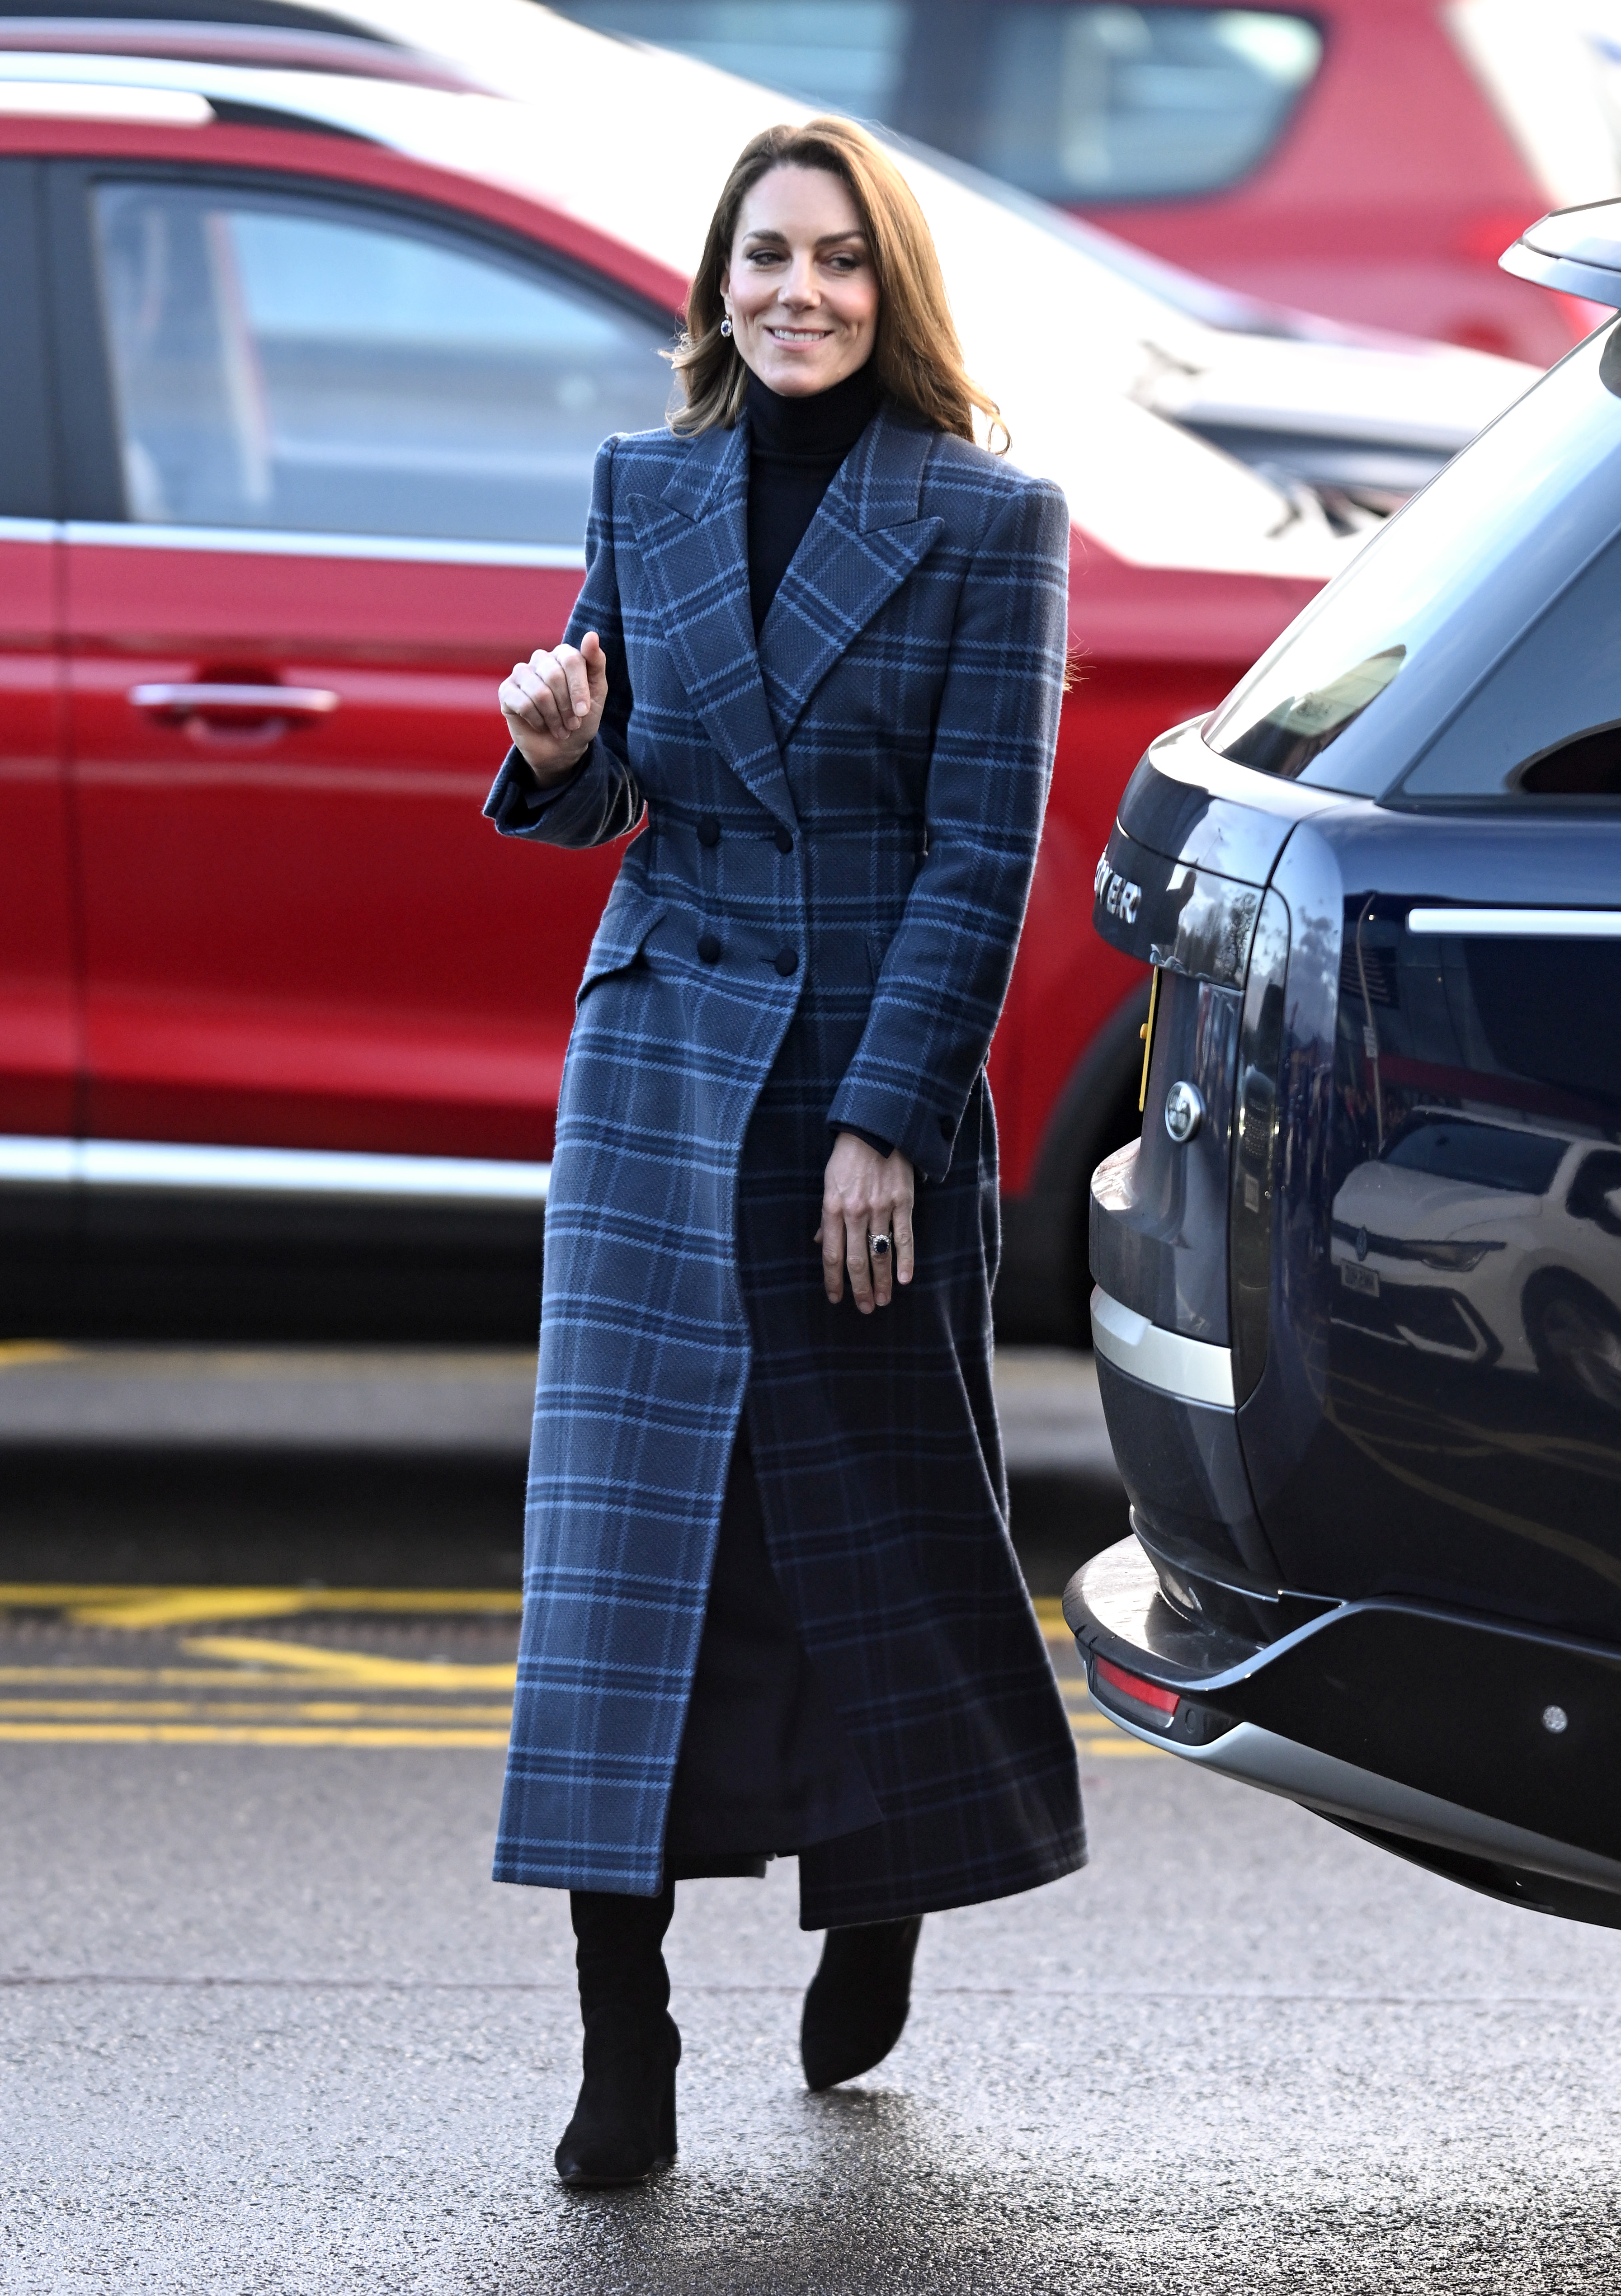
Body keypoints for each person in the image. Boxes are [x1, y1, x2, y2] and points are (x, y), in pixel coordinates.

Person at [489, 115, 1083, 2189]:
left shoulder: (992, 520)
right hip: (656, 1069)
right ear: (716, 281)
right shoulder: (643, 485)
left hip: (861, 1086)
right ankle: (620, 2024)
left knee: (871, 1524)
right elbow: (615, 782)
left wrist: (880, 1119)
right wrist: (560, 751)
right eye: (764, 257)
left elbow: (983, 851)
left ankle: (886, 1880)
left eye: (837, 258)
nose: (797, 292)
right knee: (623, 1566)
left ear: (887, 284)